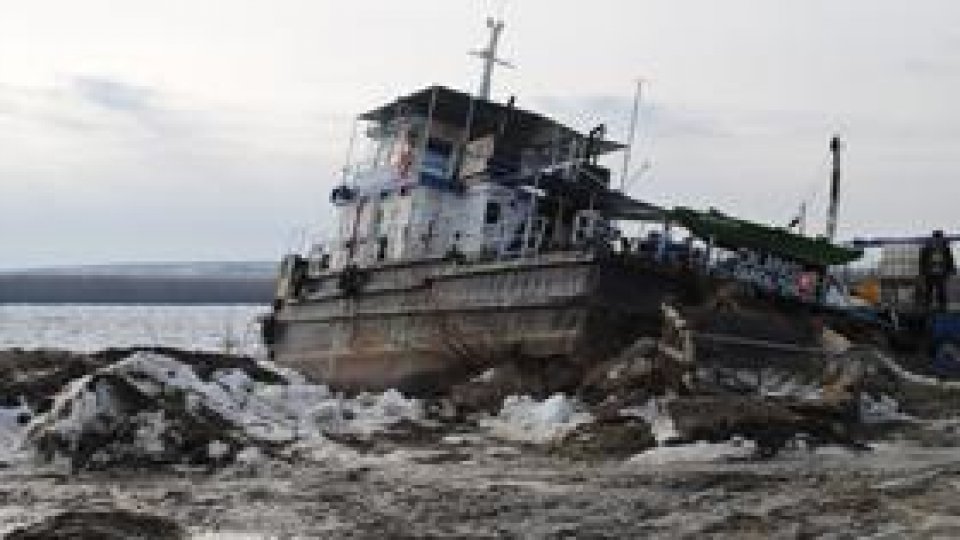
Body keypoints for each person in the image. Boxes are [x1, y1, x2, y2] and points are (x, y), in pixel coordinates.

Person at [919, 230, 956, 312]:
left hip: (940, 273)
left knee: (941, 291)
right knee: (929, 291)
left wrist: (952, 270)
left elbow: (950, 260)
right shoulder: (926, 249)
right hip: (930, 273)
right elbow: (922, 261)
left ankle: (942, 308)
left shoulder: (945, 249)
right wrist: (922, 273)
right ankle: (928, 307)